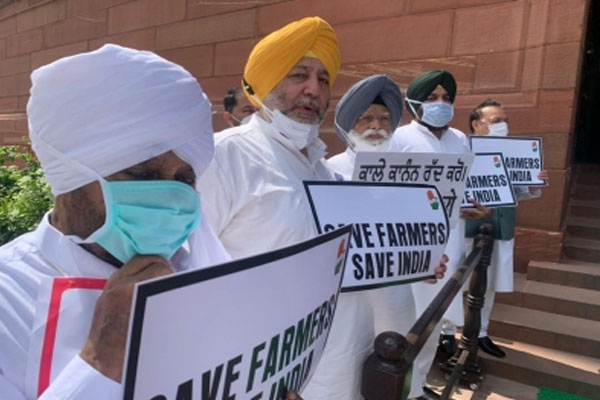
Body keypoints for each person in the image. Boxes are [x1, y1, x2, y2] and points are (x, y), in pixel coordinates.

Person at [0, 44, 302, 400]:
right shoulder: (9, 296)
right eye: (142, 174)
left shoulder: (202, 270)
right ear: (69, 176)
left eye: (184, 179)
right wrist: (101, 358)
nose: (171, 199)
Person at [328, 74, 447, 400]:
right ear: (348, 125)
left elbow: (417, 231)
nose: (376, 126)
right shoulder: (327, 172)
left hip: (394, 295)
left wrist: (426, 260)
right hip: (346, 301)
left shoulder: (407, 176)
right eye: (365, 118)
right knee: (345, 376)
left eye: (384, 119)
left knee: (395, 372)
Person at [388, 70, 492, 399]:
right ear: (414, 103)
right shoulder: (398, 139)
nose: (441, 103)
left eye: (447, 98)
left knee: (436, 318)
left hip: (450, 240)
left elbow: (468, 187)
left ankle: (418, 387)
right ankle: (400, 391)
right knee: (409, 321)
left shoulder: (459, 139)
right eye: (432, 98)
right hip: (411, 244)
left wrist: (479, 209)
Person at [463, 98, 548, 358]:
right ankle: (447, 333)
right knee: (459, 281)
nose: (503, 125)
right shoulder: (461, 149)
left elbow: (516, 192)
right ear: (477, 124)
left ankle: (481, 332)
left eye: (505, 121)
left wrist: (532, 184)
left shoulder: (514, 153)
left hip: (501, 226)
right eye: (496, 121)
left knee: (489, 284)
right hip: (467, 228)